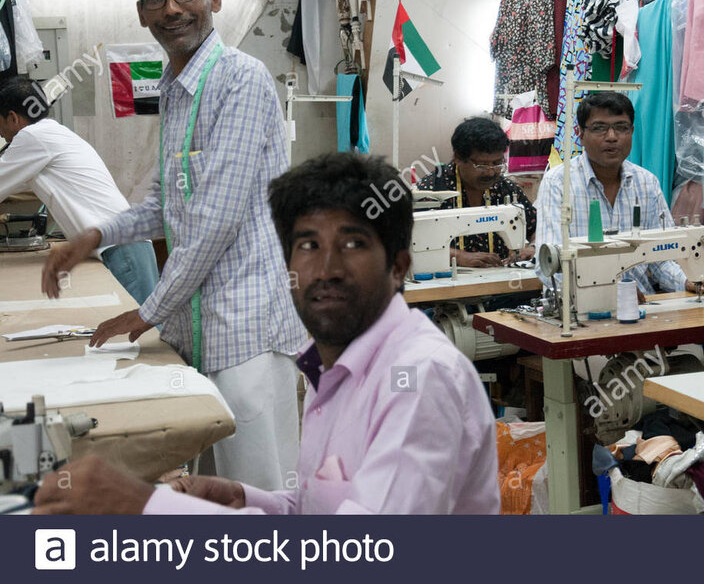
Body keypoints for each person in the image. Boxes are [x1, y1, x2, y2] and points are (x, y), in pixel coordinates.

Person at [33, 152, 501, 515]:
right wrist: (249, 498)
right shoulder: (332, 368)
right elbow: (326, 513)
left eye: (353, 244)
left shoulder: (418, 378)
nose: (326, 269)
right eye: (308, 246)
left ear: (398, 267)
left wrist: (146, 505)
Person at [39, 0, 304, 490]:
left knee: (258, 492)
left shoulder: (241, 79)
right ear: (141, 12)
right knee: (211, 492)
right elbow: (166, 203)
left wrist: (146, 312)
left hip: (246, 330)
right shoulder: (175, 88)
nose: (171, 8)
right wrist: (93, 236)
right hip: (199, 334)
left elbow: (215, 221)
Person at [534, 91, 704, 297]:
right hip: (578, 308)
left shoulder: (646, 183)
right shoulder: (559, 183)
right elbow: (548, 262)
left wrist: (686, 281)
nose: (612, 137)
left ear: (632, 132)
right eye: (599, 128)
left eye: (621, 128)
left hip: (640, 306)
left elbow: (662, 256)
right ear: (581, 135)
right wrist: (606, 293)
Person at [0, 76, 158, 306]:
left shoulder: (31, 138)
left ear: (13, 118)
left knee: (143, 334)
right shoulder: (53, 134)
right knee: (142, 328)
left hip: (122, 249)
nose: (1, 134)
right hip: (127, 245)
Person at [415, 116, 536, 267]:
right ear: (458, 158)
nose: (491, 173)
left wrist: (532, 247)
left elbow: (537, 228)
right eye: (482, 165)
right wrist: (458, 257)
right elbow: (412, 243)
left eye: (497, 163)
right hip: (445, 283)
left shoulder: (507, 190)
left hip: (501, 281)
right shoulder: (431, 191)